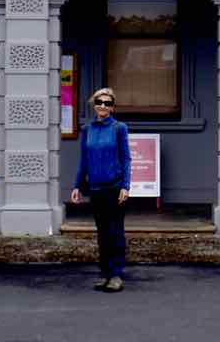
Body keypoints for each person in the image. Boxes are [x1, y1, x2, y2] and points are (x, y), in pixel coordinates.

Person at [70, 86, 131, 291]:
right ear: (94, 105)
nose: (103, 106)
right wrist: (77, 185)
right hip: (95, 189)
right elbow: (84, 160)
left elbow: (126, 159)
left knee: (115, 232)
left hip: (115, 188)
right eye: (99, 102)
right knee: (102, 233)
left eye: (107, 103)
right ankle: (105, 273)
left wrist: (126, 186)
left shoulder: (119, 128)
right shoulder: (88, 129)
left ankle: (116, 275)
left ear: (112, 107)